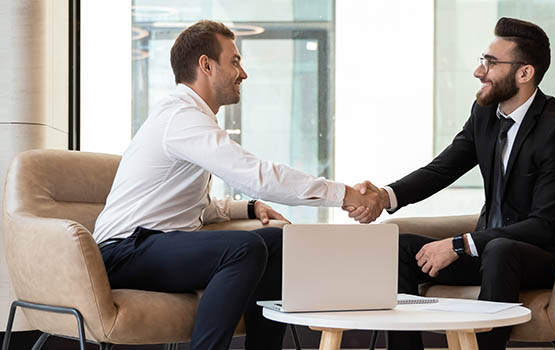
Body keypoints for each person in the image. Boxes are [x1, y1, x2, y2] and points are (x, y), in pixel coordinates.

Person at [92, 20, 378, 350]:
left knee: (276, 242)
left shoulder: (190, 120)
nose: (243, 74)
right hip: (125, 250)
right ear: (206, 65)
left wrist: (250, 207)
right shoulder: (180, 118)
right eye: (236, 61)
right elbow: (256, 175)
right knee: (245, 248)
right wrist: (343, 195)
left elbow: (195, 205)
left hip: (154, 244)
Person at [346, 17, 555, 350]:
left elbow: (546, 225)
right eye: (481, 60)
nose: (478, 71)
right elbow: (442, 169)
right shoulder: (485, 113)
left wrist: (460, 244)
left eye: (490, 62)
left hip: (540, 257)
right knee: (395, 247)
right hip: (488, 249)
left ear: (524, 73)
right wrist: (384, 197)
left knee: (501, 250)